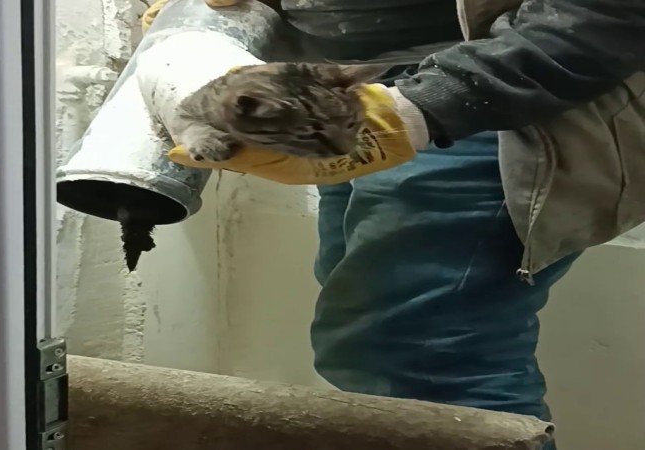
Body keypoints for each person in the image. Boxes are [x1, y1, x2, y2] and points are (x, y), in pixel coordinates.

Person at [199, 0, 645, 447]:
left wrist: (425, 106)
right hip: (343, 85)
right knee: (369, 347)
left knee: (418, 360)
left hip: (494, 88)